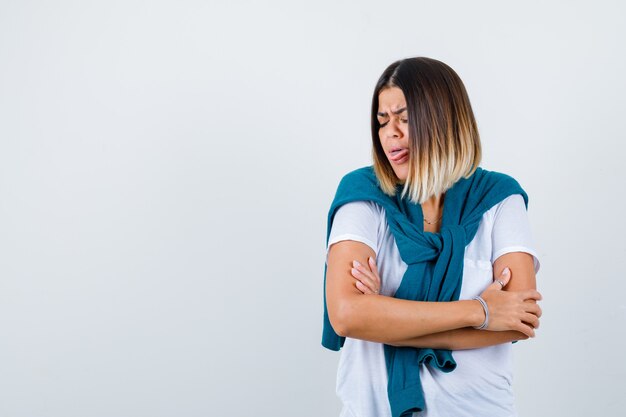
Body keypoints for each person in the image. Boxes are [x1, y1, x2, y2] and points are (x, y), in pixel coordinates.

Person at [322, 57, 542, 417]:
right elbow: (346, 315)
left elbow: (518, 319)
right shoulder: (363, 194)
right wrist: (480, 312)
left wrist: (384, 317)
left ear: (443, 118)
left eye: (405, 118)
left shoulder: (501, 199)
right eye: (382, 121)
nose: (391, 132)